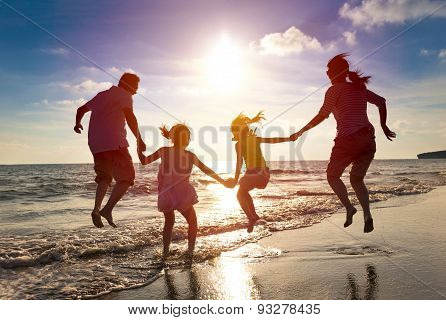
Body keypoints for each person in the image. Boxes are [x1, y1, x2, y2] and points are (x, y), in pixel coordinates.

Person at [290, 53, 396, 233]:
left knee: (332, 176)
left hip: (348, 139)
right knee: (357, 179)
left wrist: (301, 130)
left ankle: (349, 207)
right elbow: (381, 102)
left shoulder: (334, 90)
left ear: (338, 72)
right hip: (369, 139)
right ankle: (367, 215)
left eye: (330, 71)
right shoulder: (358, 88)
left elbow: (322, 115)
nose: (327, 74)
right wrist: (384, 126)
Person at [138, 124, 232, 260]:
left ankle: (165, 253)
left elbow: (143, 161)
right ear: (185, 139)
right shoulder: (190, 155)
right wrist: (222, 181)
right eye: (187, 136)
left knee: (169, 222)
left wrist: (138, 148)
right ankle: (190, 251)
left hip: (166, 195)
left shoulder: (164, 150)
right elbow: (206, 170)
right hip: (182, 195)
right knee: (192, 221)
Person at [74, 73, 146, 228]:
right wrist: (139, 139)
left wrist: (77, 124)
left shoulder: (102, 95)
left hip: (96, 145)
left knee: (104, 177)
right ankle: (107, 210)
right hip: (115, 142)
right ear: (126, 83)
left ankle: (96, 209)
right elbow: (130, 116)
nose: (135, 92)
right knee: (127, 177)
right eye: (135, 87)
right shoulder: (125, 95)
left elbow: (81, 110)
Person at [230, 112, 294, 232]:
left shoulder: (239, 145)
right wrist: (288, 139)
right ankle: (254, 216)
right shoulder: (254, 139)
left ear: (239, 131)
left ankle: (251, 217)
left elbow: (239, 164)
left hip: (255, 172)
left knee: (240, 194)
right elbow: (272, 140)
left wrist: (235, 179)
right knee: (243, 192)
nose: (233, 134)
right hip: (265, 174)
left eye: (234, 132)